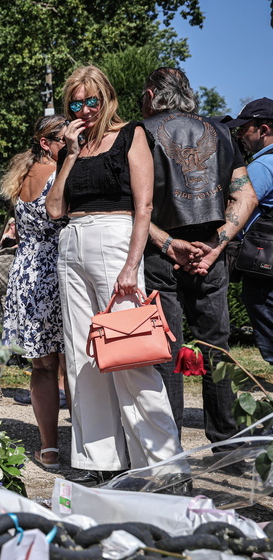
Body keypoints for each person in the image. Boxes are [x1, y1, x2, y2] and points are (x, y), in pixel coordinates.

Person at [45, 65, 182, 486]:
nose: (84, 109)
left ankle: (164, 466)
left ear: (107, 99)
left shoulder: (131, 134)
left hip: (116, 239)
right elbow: (54, 209)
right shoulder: (74, 146)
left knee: (129, 354)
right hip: (71, 241)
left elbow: (144, 207)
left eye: (91, 100)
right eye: (75, 102)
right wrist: (68, 152)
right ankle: (99, 461)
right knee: (82, 355)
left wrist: (130, 264)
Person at [140, 68, 257, 443]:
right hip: (211, 253)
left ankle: (166, 444)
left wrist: (169, 245)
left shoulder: (141, 133)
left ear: (151, 94)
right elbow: (246, 196)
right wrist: (215, 246)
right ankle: (226, 439)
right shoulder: (222, 132)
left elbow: (133, 207)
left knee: (166, 350)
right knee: (216, 347)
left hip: (161, 253)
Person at [0, 114, 69, 470]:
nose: (71, 142)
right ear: (46, 142)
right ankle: (88, 442)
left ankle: (49, 447)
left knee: (42, 366)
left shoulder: (22, 176)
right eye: (64, 137)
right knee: (71, 362)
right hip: (54, 268)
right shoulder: (59, 173)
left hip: (25, 271)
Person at [226, 97, 273, 365]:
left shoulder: (263, 166)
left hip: (265, 273)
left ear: (263, 130)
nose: (240, 135)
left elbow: (238, 204)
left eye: (245, 129)